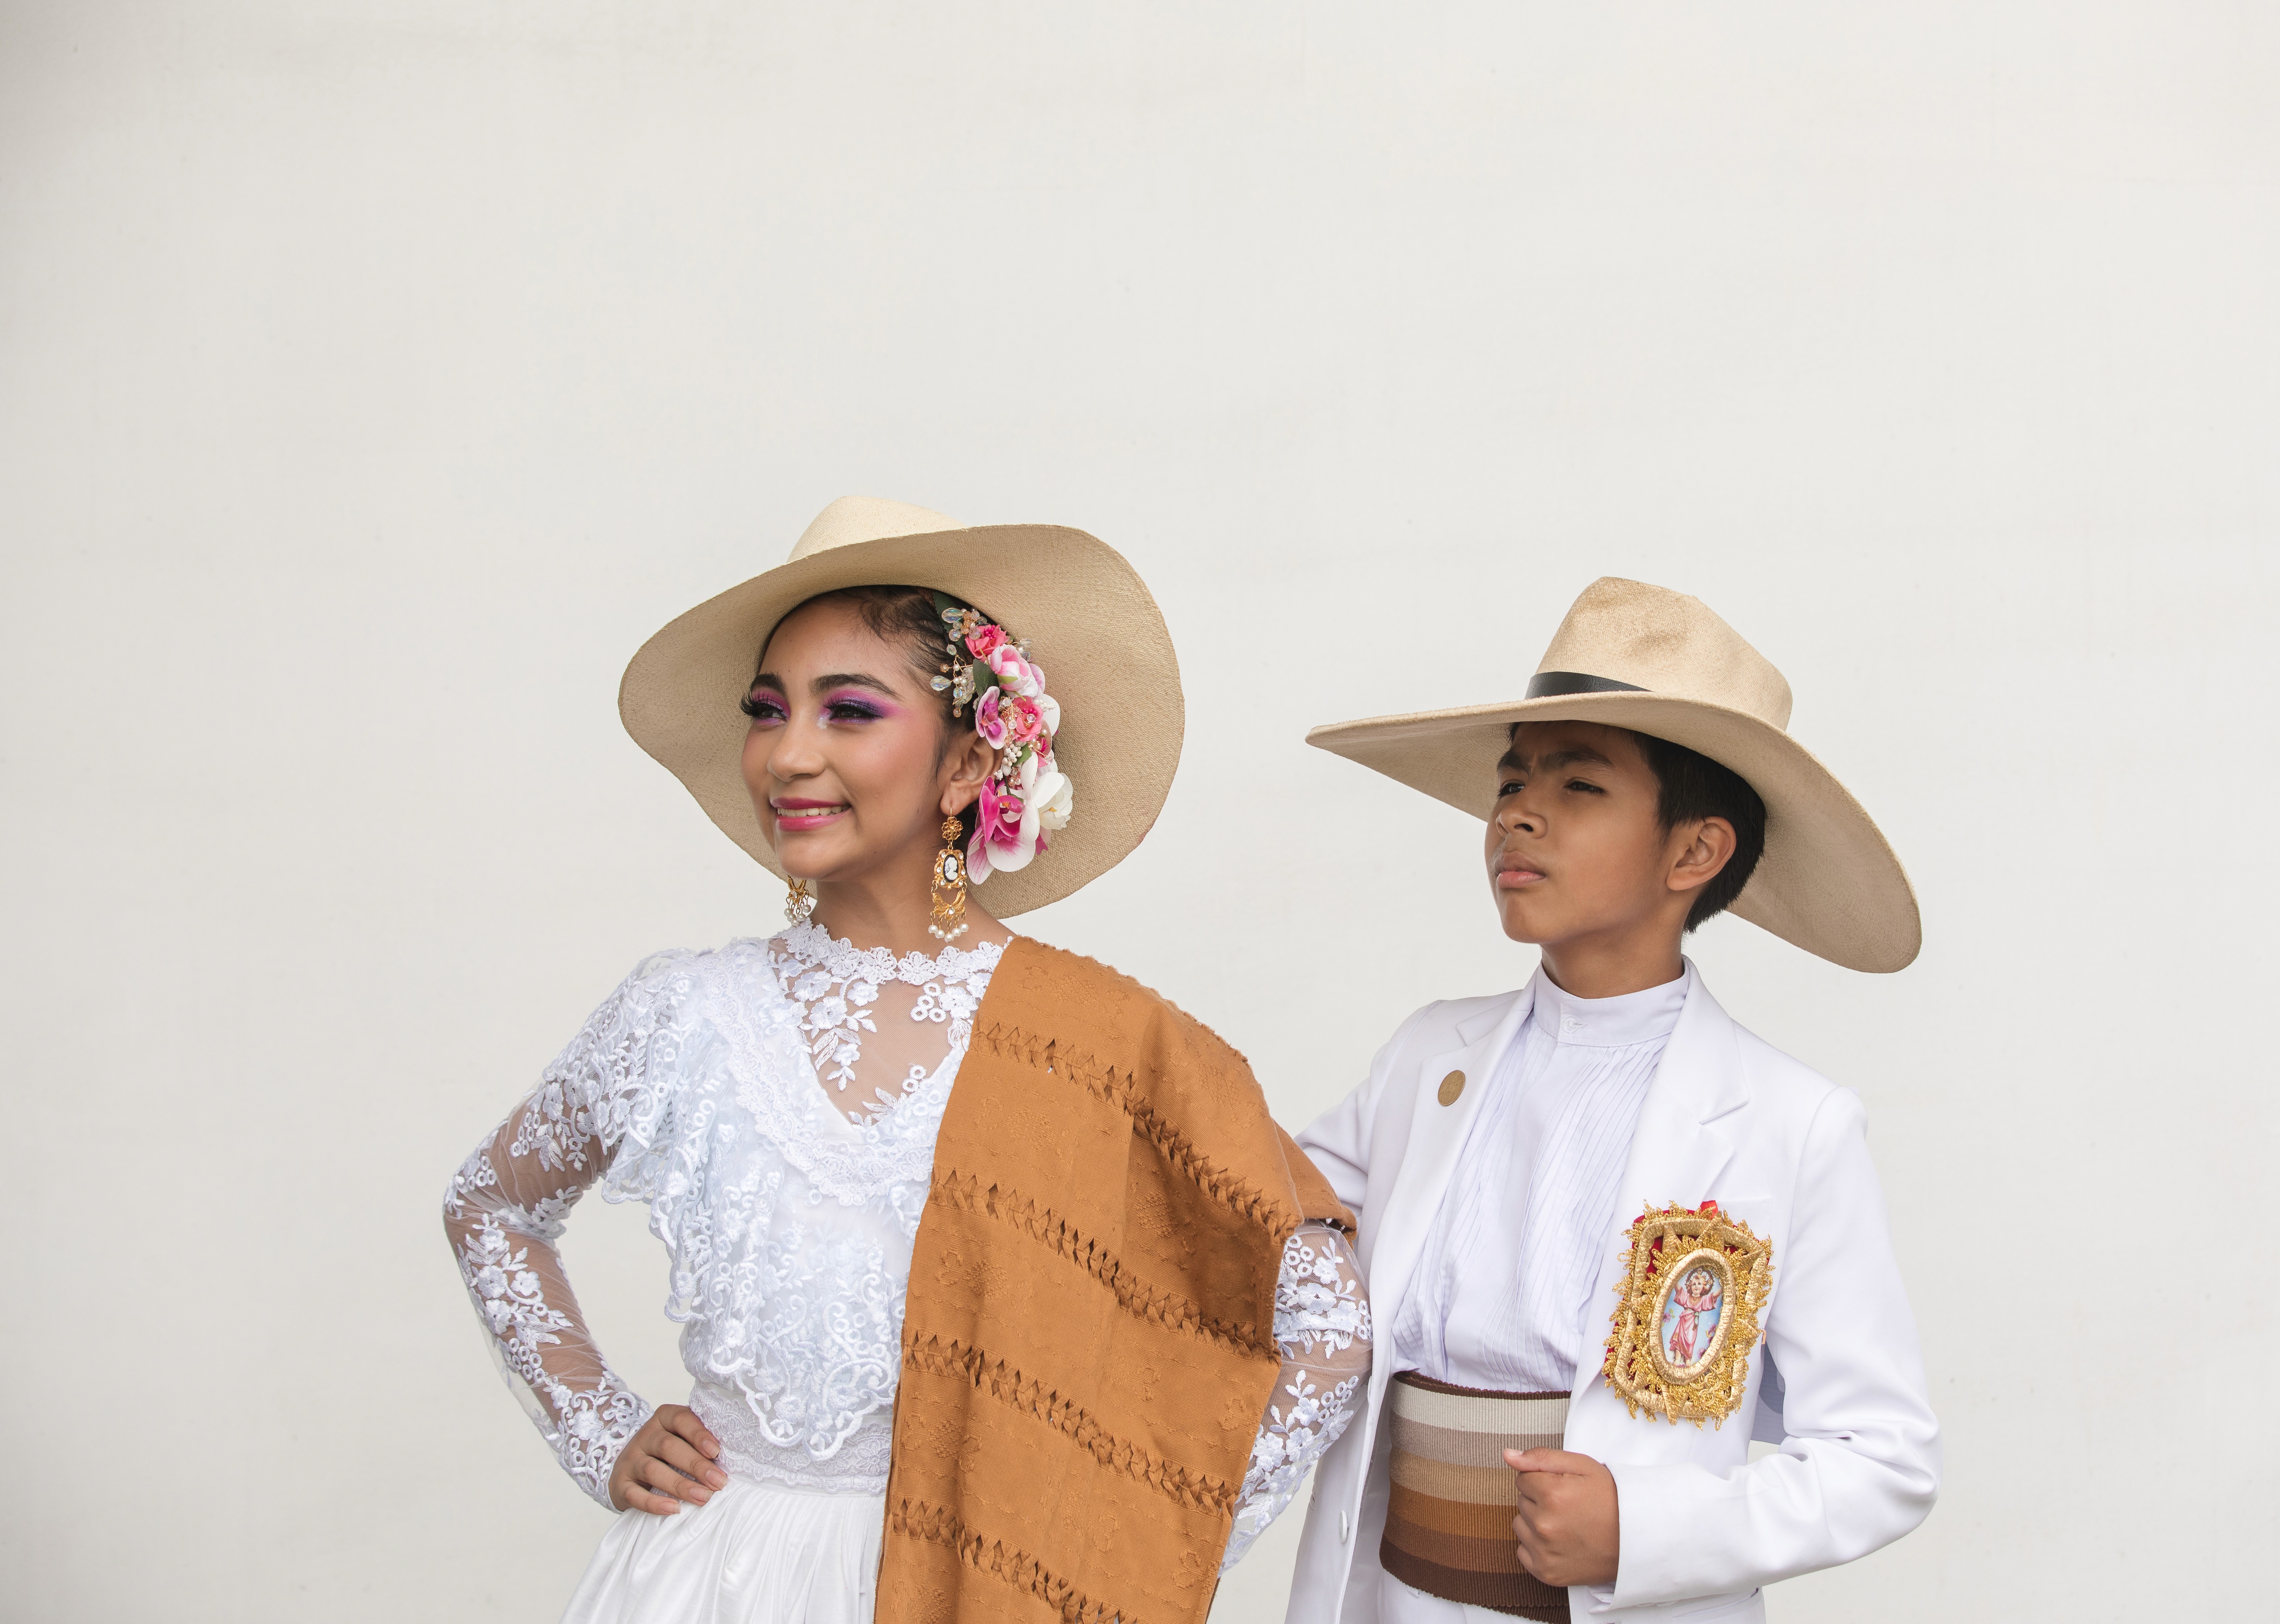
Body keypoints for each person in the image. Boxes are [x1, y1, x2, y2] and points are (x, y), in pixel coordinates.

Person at [443, 497, 1372, 1624]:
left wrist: (1133, 1551)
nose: (790, 754)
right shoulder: (680, 1013)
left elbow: (1326, 1327)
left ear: (969, 760)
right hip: (704, 1579)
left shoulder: (1102, 1042)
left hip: (977, 1584)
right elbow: (490, 1204)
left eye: (849, 711)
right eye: (768, 710)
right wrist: (599, 1428)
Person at [1282, 579, 1939, 1624]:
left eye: (1580, 784)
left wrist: (1646, 1530)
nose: (1516, 813)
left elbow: (1883, 1457)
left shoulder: (1788, 1124)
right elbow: (1273, 1224)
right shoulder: (1425, 1060)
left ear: (1695, 851)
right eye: (1512, 780)